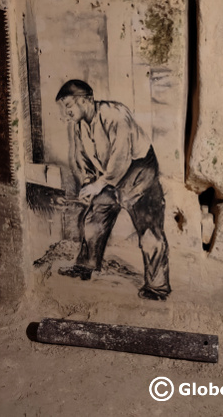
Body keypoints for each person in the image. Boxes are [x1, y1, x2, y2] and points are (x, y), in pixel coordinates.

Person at [56, 79, 171, 300]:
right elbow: (84, 161)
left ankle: (156, 287)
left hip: (139, 170)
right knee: (96, 212)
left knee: (148, 229)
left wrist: (99, 184)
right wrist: (89, 184)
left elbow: (121, 158)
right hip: (109, 177)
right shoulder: (80, 126)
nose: (66, 113)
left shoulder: (115, 115)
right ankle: (86, 266)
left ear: (85, 101)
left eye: (69, 106)